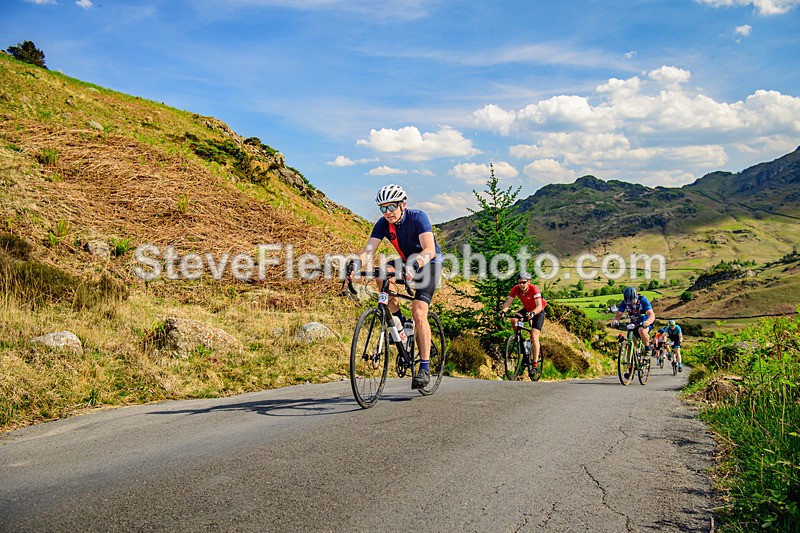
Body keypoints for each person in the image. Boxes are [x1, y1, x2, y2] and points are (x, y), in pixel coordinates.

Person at [347, 184, 443, 390]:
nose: (387, 212)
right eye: (383, 208)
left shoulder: (418, 217)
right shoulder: (383, 224)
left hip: (429, 263)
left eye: (391, 207)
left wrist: (415, 264)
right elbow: (368, 250)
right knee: (381, 273)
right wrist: (355, 265)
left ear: (403, 205)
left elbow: (429, 249)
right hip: (406, 260)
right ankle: (399, 322)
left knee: (419, 312)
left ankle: (424, 369)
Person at [499, 271, 547, 377]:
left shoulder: (534, 288)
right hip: (527, 310)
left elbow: (539, 306)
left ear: (528, 282)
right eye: (519, 282)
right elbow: (508, 302)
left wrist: (533, 313)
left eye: (524, 282)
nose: (521, 285)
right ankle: (520, 340)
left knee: (534, 337)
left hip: (538, 311)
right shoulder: (516, 289)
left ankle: (534, 365)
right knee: (513, 319)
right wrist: (503, 311)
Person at [610, 286, 655, 354]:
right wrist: (615, 321)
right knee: (631, 341)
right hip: (633, 324)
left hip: (644, 323)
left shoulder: (643, 300)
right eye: (627, 302)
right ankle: (629, 361)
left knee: (642, 331)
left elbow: (651, 314)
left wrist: (648, 322)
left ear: (636, 297)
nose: (630, 303)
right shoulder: (624, 303)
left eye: (631, 301)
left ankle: (647, 350)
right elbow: (618, 314)